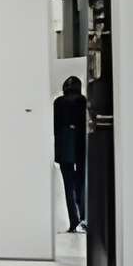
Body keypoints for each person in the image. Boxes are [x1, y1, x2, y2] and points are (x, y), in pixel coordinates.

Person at [53, 72, 87, 233]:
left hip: (63, 149)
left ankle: (74, 221)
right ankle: (82, 219)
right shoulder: (82, 102)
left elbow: (55, 129)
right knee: (80, 183)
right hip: (80, 148)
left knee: (68, 185)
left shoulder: (58, 102)